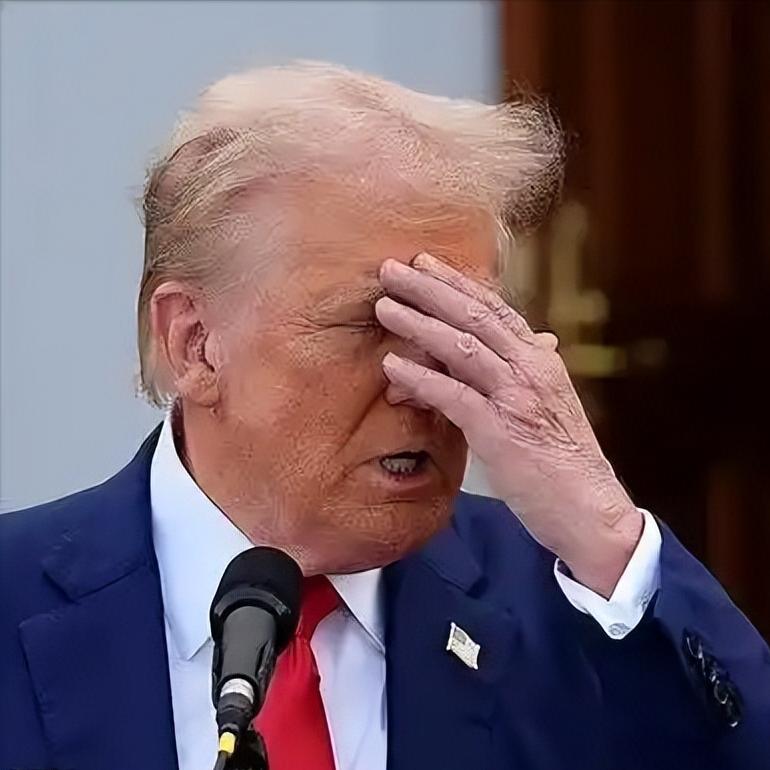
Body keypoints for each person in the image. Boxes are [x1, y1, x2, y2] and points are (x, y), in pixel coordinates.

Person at [1, 61, 768, 770]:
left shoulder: (577, 606)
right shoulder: (19, 601)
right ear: (195, 343)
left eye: (459, 326)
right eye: (372, 324)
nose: (422, 384)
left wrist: (604, 532)